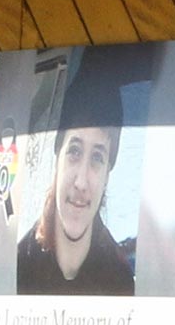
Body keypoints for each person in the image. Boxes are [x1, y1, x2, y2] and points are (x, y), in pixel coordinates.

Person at [14, 60, 135, 296]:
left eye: (97, 158)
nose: (81, 182)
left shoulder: (121, 283)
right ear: (57, 155)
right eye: (74, 152)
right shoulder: (17, 268)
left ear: (108, 174)